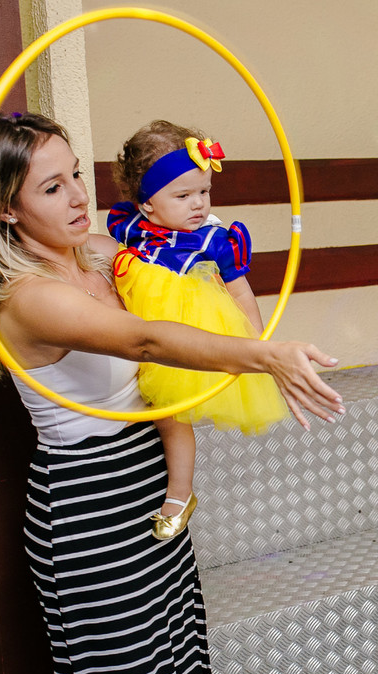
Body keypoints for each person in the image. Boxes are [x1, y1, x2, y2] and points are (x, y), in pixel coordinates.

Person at [0, 111, 344, 674]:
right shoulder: (29, 301)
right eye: (52, 188)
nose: (79, 196)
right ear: (6, 213)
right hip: (87, 505)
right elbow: (145, 340)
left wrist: (221, 259)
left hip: (150, 490)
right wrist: (266, 356)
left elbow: (181, 241)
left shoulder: (99, 258)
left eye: (77, 175)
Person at [103, 119, 285, 540]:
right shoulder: (129, 226)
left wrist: (256, 348)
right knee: (140, 407)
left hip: (189, 332)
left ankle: (180, 491)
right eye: (183, 195)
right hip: (135, 329)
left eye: (204, 191)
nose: (198, 204)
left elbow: (240, 294)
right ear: (147, 203)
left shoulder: (214, 239)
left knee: (171, 416)